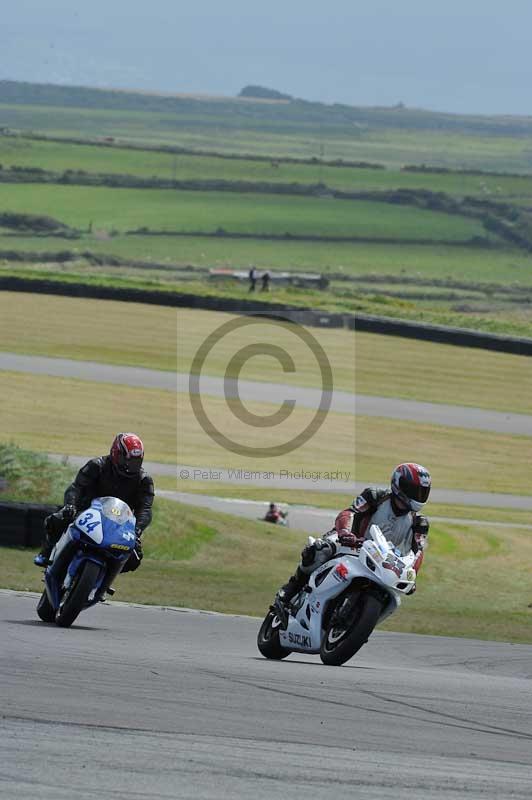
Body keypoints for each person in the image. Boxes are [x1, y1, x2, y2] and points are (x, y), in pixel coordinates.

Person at [275, 463, 431, 610]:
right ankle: (292, 587)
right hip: (352, 542)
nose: (418, 496)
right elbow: (350, 512)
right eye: (414, 491)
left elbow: (418, 551)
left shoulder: (420, 523)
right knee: (319, 549)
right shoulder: (375, 496)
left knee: (393, 590)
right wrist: (345, 532)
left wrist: (412, 575)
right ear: (399, 485)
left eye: (422, 492)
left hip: (382, 560)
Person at [34, 433, 155, 573]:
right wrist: (71, 505)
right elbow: (76, 487)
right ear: (116, 453)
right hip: (86, 512)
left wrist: (137, 530)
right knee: (57, 519)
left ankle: (104, 583)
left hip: (118, 524)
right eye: (126, 460)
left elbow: (145, 509)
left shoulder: (144, 480)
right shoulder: (97, 465)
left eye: (135, 462)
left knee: (135, 556)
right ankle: (47, 551)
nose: (130, 466)